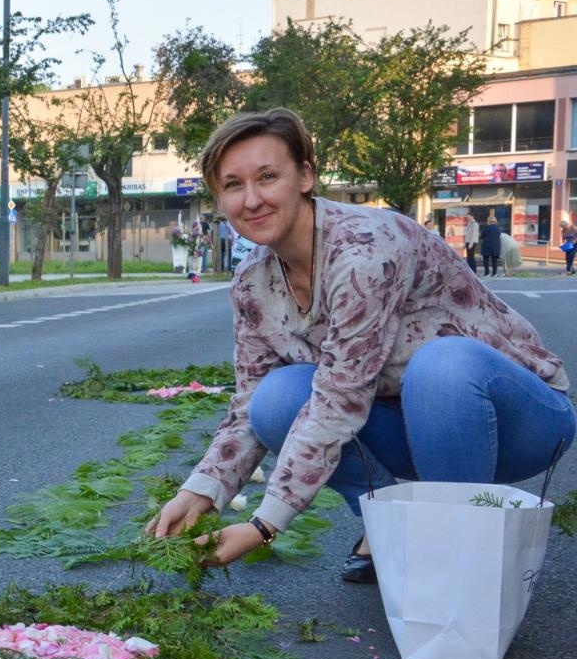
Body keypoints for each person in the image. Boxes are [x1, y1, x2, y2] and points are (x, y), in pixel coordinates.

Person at [146, 108, 573, 581]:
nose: (252, 200)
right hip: (409, 425)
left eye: (267, 177)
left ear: (305, 176)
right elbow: (249, 406)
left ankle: (458, 557)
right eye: (232, 185)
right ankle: (388, 523)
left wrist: (264, 524)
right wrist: (201, 491)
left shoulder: (366, 250)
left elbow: (340, 397)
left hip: (518, 422)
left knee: (442, 366)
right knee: (276, 399)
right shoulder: (252, 283)